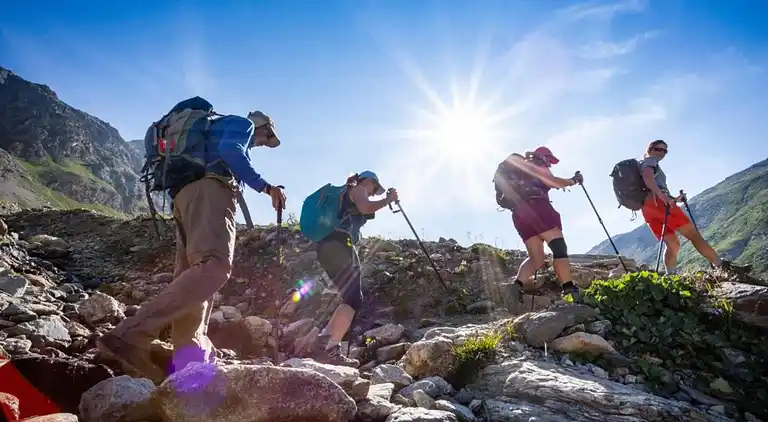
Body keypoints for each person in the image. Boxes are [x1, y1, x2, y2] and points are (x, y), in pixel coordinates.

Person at [96, 108, 287, 384]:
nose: (259, 144)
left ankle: (189, 355)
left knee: (194, 273)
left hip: (186, 196)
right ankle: (130, 335)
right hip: (211, 192)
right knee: (214, 266)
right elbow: (232, 150)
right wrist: (267, 187)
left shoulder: (208, 131)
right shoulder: (242, 125)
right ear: (263, 127)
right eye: (264, 138)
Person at [297, 171, 398, 367]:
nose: (374, 192)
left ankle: (325, 343)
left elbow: (365, 210)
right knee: (353, 298)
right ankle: (329, 347)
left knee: (351, 297)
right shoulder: (357, 188)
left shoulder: (346, 193)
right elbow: (365, 206)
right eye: (375, 188)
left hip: (327, 247)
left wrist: (385, 199)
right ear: (367, 181)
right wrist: (388, 199)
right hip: (339, 245)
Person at [639, 139, 745, 275]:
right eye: (659, 149)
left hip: (647, 210)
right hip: (660, 205)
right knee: (693, 235)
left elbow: (650, 187)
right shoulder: (650, 161)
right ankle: (721, 266)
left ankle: (670, 276)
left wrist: (674, 199)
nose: (662, 153)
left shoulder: (640, 165)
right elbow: (648, 179)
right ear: (650, 149)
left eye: (665, 151)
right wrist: (664, 197)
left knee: (672, 243)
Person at [501, 146, 584, 305]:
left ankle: (515, 288)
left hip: (519, 214)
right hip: (539, 209)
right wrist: (574, 180)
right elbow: (553, 182)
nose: (550, 165)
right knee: (559, 248)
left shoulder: (520, 168)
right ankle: (570, 289)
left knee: (536, 258)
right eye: (550, 161)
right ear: (544, 157)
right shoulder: (538, 164)